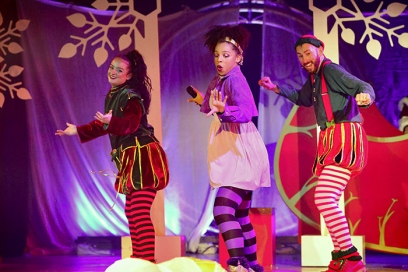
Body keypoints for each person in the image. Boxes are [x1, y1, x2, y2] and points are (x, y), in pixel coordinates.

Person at [259, 34, 375, 272]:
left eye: (308, 54)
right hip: (332, 137)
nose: (304, 59)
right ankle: (342, 257)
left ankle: (351, 259)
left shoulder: (331, 70)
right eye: (300, 56)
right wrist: (276, 88)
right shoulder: (315, 78)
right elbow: (303, 99)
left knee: (324, 197)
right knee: (326, 199)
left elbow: (362, 85)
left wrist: (365, 96)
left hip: (344, 135)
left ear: (320, 50)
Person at [56, 50, 169, 263]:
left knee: (139, 211)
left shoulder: (130, 96)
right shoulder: (114, 95)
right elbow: (104, 124)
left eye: (119, 70)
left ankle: (147, 262)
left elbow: (131, 124)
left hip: (142, 156)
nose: (113, 72)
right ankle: (139, 259)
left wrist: (111, 122)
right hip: (131, 158)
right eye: (111, 68)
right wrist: (77, 130)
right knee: (132, 211)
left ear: (128, 76)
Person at [188, 25, 270, 272]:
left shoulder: (235, 79)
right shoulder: (221, 79)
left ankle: (238, 264)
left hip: (239, 153)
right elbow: (215, 106)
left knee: (223, 210)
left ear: (239, 57)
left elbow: (246, 112)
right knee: (241, 216)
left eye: (225, 55)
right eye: (216, 55)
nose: (220, 60)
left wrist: (225, 111)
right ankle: (253, 265)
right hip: (233, 150)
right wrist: (203, 101)